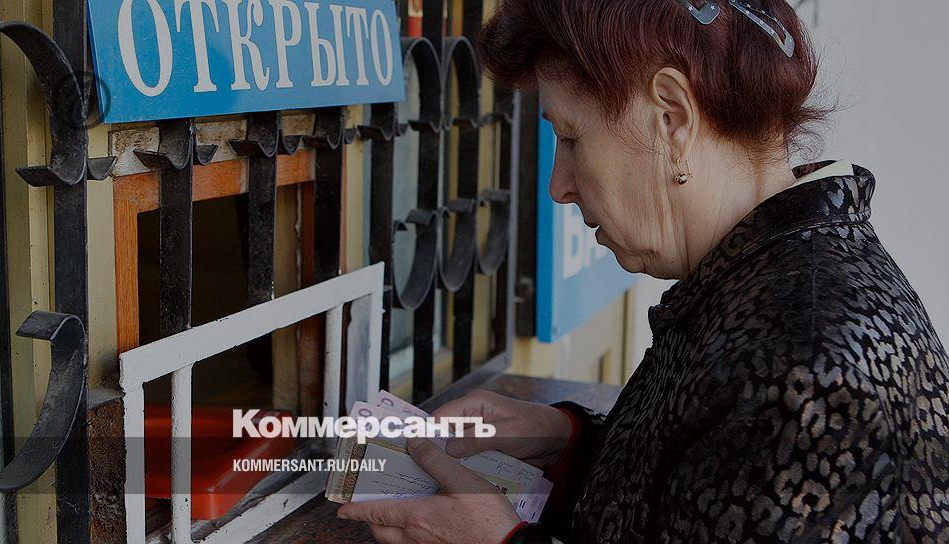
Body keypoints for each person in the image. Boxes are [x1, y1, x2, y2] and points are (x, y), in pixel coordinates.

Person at [338, 0, 949, 542]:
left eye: (571, 137)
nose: (558, 186)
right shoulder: (768, 278)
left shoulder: (807, 364)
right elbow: (707, 494)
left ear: (672, 119)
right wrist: (569, 444)